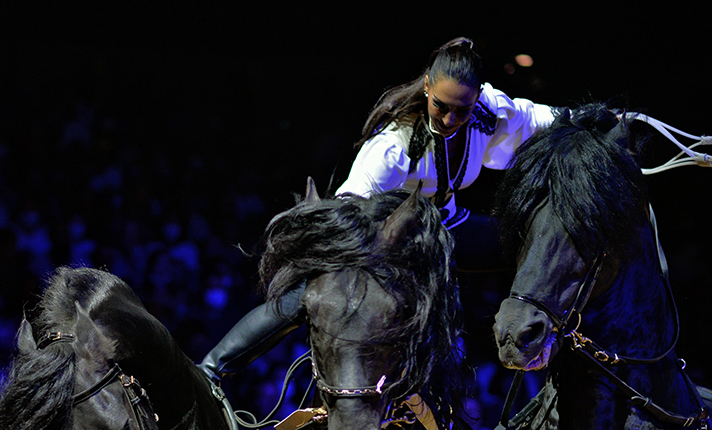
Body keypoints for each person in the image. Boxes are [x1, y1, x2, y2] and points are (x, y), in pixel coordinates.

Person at [200, 37, 558, 380]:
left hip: (443, 226)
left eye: (461, 111)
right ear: (427, 88)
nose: (450, 119)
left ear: (477, 98)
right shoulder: (392, 146)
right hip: (385, 238)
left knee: (536, 240)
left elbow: (549, 118)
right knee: (309, 294)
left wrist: (607, 119)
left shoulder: (489, 111)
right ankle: (213, 369)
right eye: (441, 107)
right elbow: (348, 210)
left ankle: (560, 341)